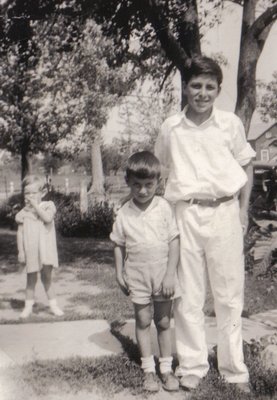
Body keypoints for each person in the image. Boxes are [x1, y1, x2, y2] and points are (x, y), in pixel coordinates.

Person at [155, 55, 256, 393]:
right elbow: (160, 170)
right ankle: (193, 365)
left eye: (209, 86)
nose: (202, 92)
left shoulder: (230, 124)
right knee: (190, 296)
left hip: (224, 212)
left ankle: (233, 369)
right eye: (196, 85)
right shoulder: (171, 127)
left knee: (229, 295)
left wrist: (242, 211)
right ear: (185, 88)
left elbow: (247, 166)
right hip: (185, 214)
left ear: (218, 90)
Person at [110, 151, 180, 392]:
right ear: (128, 182)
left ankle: (166, 369)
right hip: (137, 274)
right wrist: (119, 274)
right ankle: (148, 370)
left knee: (162, 321)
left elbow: (174, 241)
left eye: (148, 185)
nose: (142, 191)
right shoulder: (123, 213)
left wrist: (171, 274)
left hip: (162, 274)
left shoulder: (164, 207)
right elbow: (118, 244)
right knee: (142, 320)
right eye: (137, 185)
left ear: (158, 183)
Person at [16, 175, 64, 319]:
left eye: (33, 193)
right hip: (31, 251)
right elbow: (20, 233)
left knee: (47, 278)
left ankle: (54, 306)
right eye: (26, 193)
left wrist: (35, 205)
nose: (29, 196)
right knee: (31, 279)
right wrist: (21, 252)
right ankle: (28, 307)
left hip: (46, 251)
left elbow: (47, 218)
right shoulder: (23, 213)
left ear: (42, 193)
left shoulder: (48, 206)